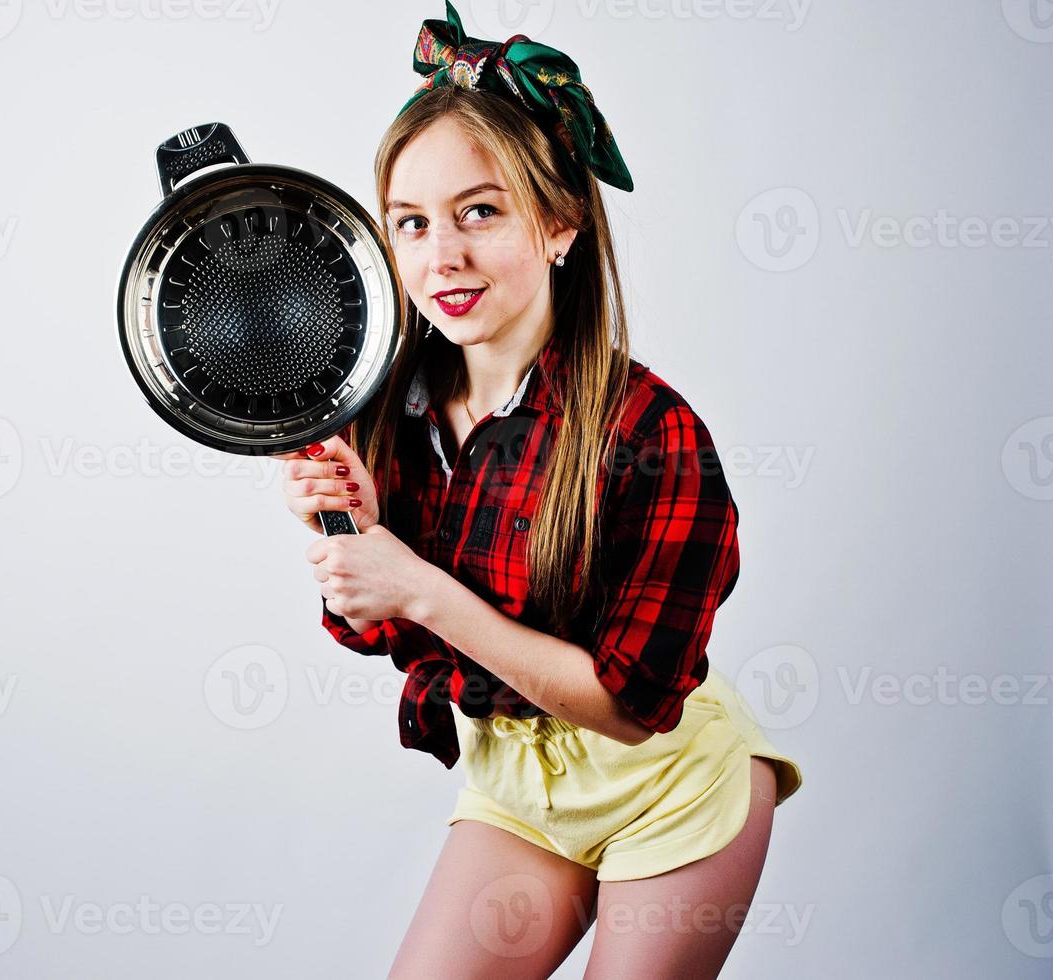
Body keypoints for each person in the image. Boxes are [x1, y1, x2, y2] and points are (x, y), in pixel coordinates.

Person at [274, 4, 804, 977]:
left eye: (482, 211)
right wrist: (350, 537)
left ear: (560, 224)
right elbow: (379, 630)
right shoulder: (395, 412)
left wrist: (417, 584)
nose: (443, 257)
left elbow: (630, 703)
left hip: (668, 780)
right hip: (518, 776)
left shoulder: (653, 433)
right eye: (412, 222)